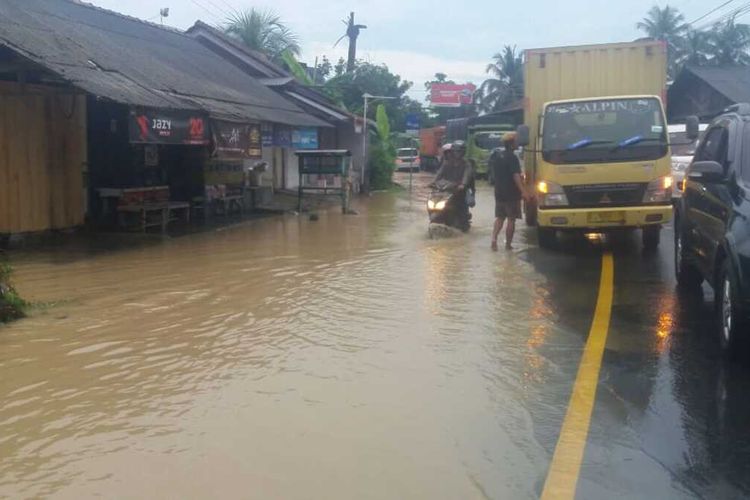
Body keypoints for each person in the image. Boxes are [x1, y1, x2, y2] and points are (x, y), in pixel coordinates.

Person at [489, 133, 529, 251]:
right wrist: (524, 191)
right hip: (511, 193)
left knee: (500, 218)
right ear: (511, 144)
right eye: (516, 142)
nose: (518, 144)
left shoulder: (497, 157)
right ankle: (508, 245)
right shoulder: (512, 158)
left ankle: (494, 240)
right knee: (511, 219)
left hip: (499, 192)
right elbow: (516, 176)